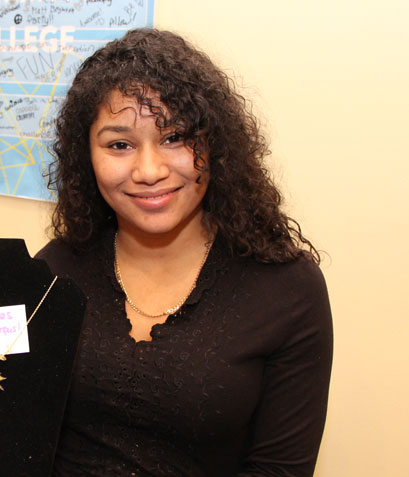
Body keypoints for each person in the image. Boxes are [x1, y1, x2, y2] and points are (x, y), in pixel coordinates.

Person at [37, 28, 333, 476]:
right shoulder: (54, 271)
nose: (150, 170)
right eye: (120, 144)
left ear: (215, 144)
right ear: (86, 156)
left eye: (175, 137)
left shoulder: (287, 290)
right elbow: (11, 428)